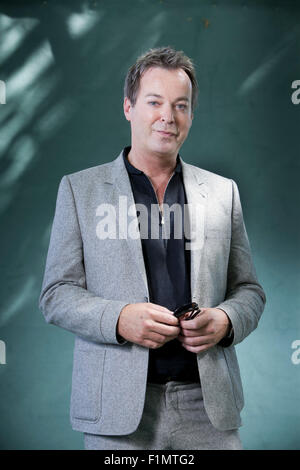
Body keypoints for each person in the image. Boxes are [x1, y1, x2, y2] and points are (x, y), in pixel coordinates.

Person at [39, 47, 266, 450]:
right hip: (117, 411)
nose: (168, 116)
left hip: (207, 406)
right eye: (154, 102)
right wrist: (119, 317)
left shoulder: (222, 192)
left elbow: (249, 290)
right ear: (128, 107)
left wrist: (227, 320)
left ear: (191, 115)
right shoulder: (79, 191)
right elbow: (56, 294)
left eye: (181, 105)